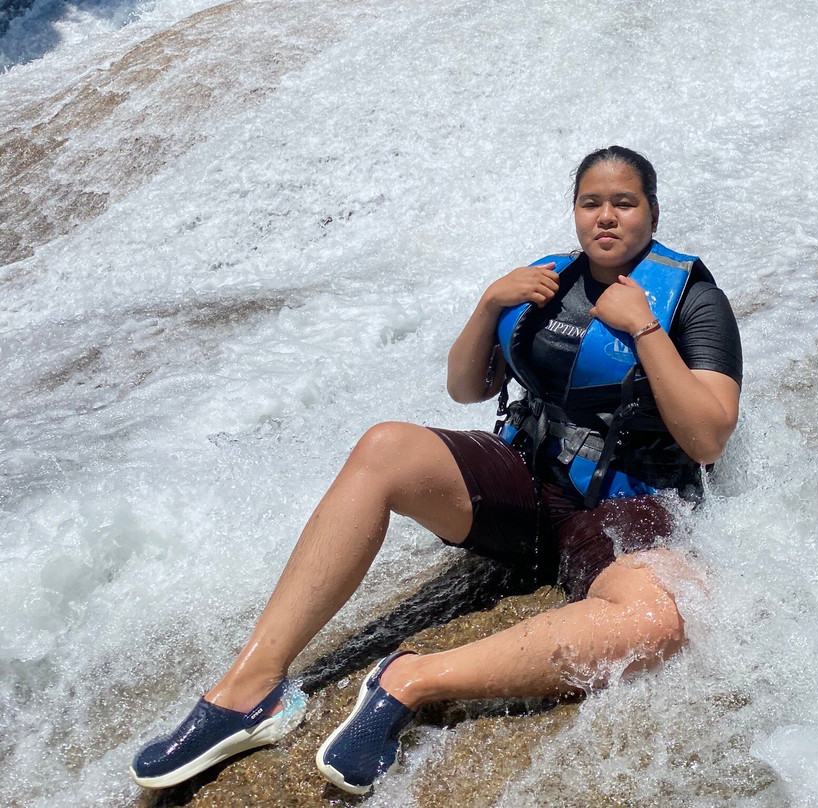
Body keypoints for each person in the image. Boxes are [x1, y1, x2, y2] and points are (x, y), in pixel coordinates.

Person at [130, 145, 743, 795]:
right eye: (592, 202)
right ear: (575, 212)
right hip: (531, 487)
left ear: (652, 209)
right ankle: (249, 688)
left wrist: (645, 330)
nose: (607, 217)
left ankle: (409, 682)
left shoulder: (692, 301)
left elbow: (708, 437)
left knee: (662, 619)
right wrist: (488, 305)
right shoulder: (548, 282)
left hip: (624, 511)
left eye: (625, 202)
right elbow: (465, 389)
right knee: (384, 446)